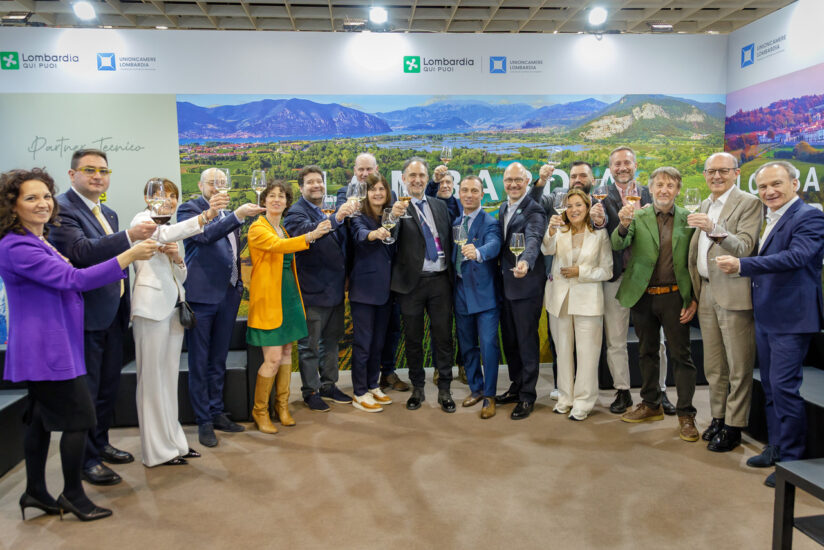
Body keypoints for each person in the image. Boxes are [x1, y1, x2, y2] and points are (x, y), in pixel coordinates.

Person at [1, 168, 156, 521]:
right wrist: (128, 256)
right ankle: (73, 495)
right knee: (78, 419)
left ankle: (35, 491)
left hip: (53, 343)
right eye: (31, 198)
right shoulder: (16, 245)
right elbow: (73, 279)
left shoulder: (35, 240)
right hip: (47, 348)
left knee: (40, 420)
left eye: (45, 196)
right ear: (12, 206)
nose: (42, 204)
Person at [48, 149, 157, 486]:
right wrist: (130, 238)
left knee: (108, 388)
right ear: (72, 175)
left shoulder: (105, 210)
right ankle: (87, 461)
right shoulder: (62, 209)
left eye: (103, 171)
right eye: (90, 170)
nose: (98, 176)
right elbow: (81, 254)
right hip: (86, 316)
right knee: (90, 391)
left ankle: (101, 443)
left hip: (114, 314)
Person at [717, 161, 824, 487]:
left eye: (776, 184)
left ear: (795, 183)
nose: (769, 192)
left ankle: (791, 462)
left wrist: (742, 265)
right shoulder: (770, 216)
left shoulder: (810, 216)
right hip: (767, 314)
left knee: (785, 389)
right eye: (762, 187)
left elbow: (797, 257)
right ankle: (775, 448)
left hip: (791, 318)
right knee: (773, 387)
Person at [130, 178, 226, 466]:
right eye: (161, 195)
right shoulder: (144, 221)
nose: (168, 201)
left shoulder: (166, 230)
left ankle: (175, 444)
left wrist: (177, 259)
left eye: (172, 196)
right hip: (150, 310)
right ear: (148, 199)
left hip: (173, 310)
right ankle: (155, 452)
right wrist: (207, 216)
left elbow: (181, 277)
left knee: (168, 381)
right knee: (151, 383)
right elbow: (165, 233)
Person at [177, 167, 265, 447]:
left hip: (229, 295)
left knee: (218, 360)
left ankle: (217, 412)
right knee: (199, 362)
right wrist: (238, 215)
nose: (217, 187)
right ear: (201, 185)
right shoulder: (188, 209)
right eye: (212, 183)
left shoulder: (228, 214)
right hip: (202, 298)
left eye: (222, 183)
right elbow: (204, 237)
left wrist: (238, 286)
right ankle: (203, 420)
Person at [611, 166, 699, 441]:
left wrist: (693, 298)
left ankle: (686, 415)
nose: (664, 190)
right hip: (643, 296)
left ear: (678, 190)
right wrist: (623, 224)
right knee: (646, 352)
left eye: (670, 185)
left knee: (681, 356)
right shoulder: (638, 215)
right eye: (659, 184)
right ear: (651, 188)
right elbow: (616, 243)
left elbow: (695, 262)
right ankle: (651, 404)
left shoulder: (689, 218)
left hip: (675, 297)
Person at [687, 153, 762, 453]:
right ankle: (718, 417)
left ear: (736, 173)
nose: (716, 176)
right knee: (714, 366)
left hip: (733, 293)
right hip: (706, 292)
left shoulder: (748, 203)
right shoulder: (705, 203)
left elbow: (745, 246)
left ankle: (734, 425)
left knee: (738, 365)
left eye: (723, 171)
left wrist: (712, 228)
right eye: (711, 171)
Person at [246, 182, 331, 433]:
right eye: (271, 196)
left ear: (286, 202)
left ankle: (281, 407)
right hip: (269, 301)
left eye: (281, 196)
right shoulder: (258, 228)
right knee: (271, 359)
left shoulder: (281, 227)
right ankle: (260, 411)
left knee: (285, 355)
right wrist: (311, 236)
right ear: (264, 201)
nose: (276, 200)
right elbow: (278, 247)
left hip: (288, 297)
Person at [601, 147, 673, 415]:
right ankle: (622, 391)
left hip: (648, 277)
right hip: (615, 277)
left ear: (635, 165)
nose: (622, 167)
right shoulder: (599, 196)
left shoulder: (651, 193)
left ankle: (659, 391)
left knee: (658, 341)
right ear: (610, 169)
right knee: (616, 340)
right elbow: (599, 230)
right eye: (617, 164)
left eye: (627, 163)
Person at [284, 166, 358, 411]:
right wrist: (336, 218)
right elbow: (307, 234)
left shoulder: (324, 209)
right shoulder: (295, 213)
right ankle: (311, 391)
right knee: (309, 347)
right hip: (312, 292)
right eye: (310, 182)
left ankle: (329, 385)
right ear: (301, 187)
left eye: (319, 181)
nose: (316, 185)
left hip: (335, 291)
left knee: (331, 343)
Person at [390, 157, 456, 413]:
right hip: (411, 285)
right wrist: (393, 219)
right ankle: (418, 388)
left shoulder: (439, 206)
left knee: (443, 338)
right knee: (413, 339)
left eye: (421, 175)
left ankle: (445, 390)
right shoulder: (397, 208)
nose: (417, 180)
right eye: (412, 175)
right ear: (404, 179)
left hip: (440, 282)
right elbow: (389, 239)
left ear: (427, 179)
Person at [542, 189, 613, 421]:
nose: (573, 209)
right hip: (559, 300)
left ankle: (583, 401)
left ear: (588, 207)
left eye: (578, 205)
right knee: (562, 353)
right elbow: (547, 249)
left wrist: (580, 272)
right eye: (569, 205)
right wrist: (551, 230)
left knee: (587, 355)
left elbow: (607, 270)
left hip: (588, 301)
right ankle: (565, 397)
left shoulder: (600, 235)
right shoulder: (559, 231)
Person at [494, 162, 548, 420]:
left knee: (526, 343)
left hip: (526, 286)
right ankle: (516, 386)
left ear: (527, 182)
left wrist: (525, 262)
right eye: (508, 180)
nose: (513, 184)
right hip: (505, 286)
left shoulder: (535, 210)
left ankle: (528, 396)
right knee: (511, 342)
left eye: (518, 180)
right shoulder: (504, 207)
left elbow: (534, 239)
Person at [452, 175, 502, 419]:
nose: (469, 194)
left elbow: (494, 245)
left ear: (482, 194)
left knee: (489, 346)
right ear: (459, 194)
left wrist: (478, 252)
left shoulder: (490, 222)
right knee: (467, 346)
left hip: (484, 295)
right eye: (464, 190)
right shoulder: (456, 221)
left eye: (474, 190)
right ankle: (476, 388)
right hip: (461, 293)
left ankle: (490, 396)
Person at [348, 174, 397, 412]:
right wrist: (374, 234)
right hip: (364, 292)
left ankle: (372, 384)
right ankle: (359, 392)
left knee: (378, 343)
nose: (378, 193)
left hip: (386, 291)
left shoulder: (391, 216)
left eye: (382, 189)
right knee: (363, 344)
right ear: (366, 194)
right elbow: (359, 234)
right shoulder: (359, 216)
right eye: (373, 189)